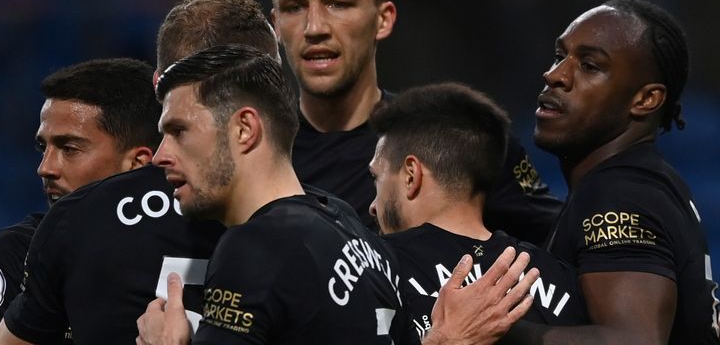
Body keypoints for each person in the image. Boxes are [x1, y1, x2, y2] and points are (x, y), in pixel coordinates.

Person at [136, 45, 539, 345]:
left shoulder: (255, 246)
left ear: (245, 129)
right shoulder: (347, 222)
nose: (160, 155)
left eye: (178, 131)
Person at [0, 0, 281, 345]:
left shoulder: (75, 220)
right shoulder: (328, 220)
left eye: (69, 147)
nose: (45, 169)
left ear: (160, 85)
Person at [267, 0, 562, 242]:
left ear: (383, 20)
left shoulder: (461, 140)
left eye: (338, 3)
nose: (315, 27)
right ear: (276, 27)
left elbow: (557, 250)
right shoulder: (250, 161)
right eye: (294, 7)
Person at [505, 0, 720, 343]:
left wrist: (497, 331)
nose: (554, 75)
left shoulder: (619, 194)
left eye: (589, 65)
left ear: (645, 99)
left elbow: (634, 340)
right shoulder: (645, 182)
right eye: (561, 56)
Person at [0, 57, 161, 344]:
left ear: (137, 164)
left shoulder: (191, 245)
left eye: (69, 148)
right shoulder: (18, 252)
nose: (45, 168)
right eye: (43, 147)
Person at [368, 82, 588, 342]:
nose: (372, 206)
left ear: (410, 175)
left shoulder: (372, 268)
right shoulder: (562, 276)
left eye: (377, 179)